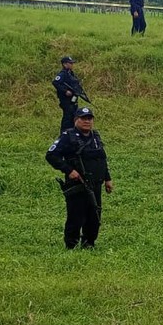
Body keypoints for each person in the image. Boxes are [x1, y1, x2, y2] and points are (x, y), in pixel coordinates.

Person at [46, 107, 114, 249]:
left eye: (89, 118)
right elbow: (51, 155)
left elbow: (101, 158)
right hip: (77, 184)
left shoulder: (95, 137)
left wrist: (107, 178)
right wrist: (69, 170)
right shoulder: (68, 136)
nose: (87, 121)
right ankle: (71, 244)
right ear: (76, 120)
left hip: (95, 184)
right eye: (83, 118)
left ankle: (88, 243)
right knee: (76, 216)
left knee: (94, 215)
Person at [51, 56, 89, 132]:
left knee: (74, 115)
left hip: (73, 99)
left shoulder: (71, 73)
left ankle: (73, 132)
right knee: (68, 117)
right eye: (70, 63)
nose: (72, 65)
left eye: (72, 63)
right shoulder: (63, 74)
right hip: (66, 100)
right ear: (64, 64)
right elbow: (55, 82)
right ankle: (64, 133)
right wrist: (65, 91)